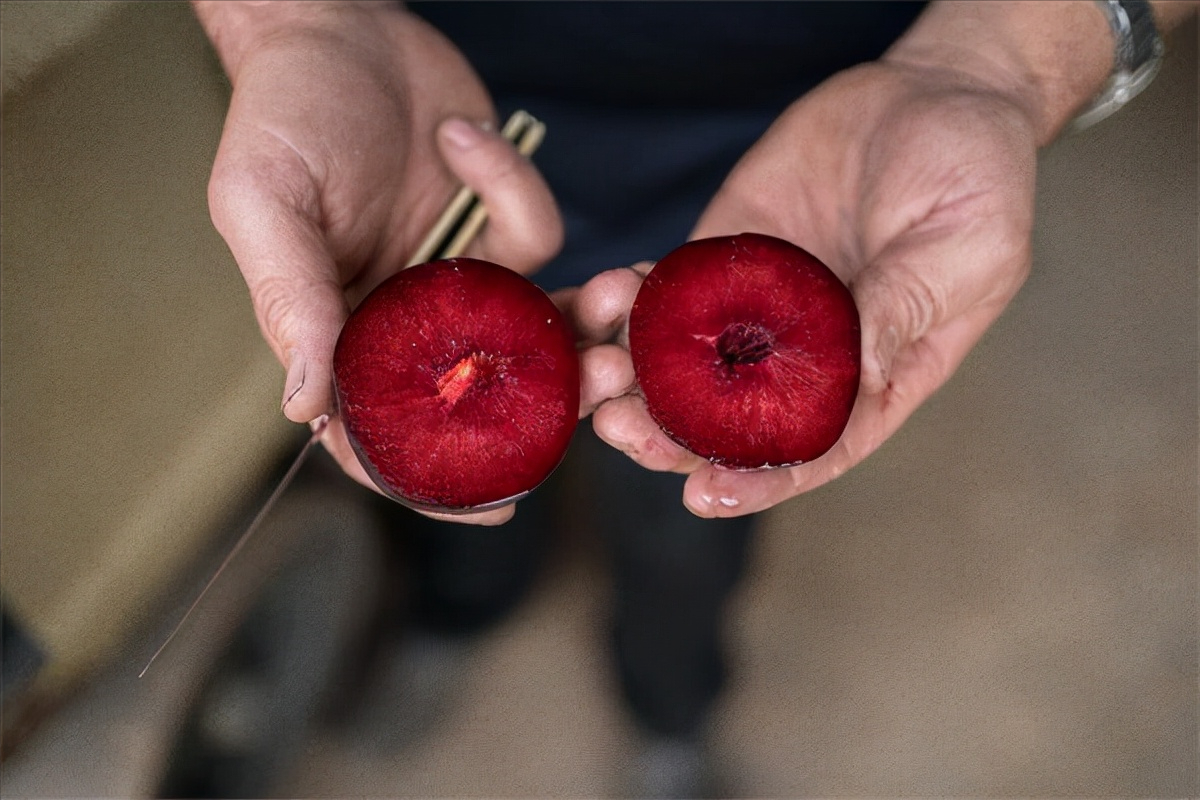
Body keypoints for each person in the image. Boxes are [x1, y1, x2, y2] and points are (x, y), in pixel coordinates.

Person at [190, 1, 1195, 794]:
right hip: (431, 143)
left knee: (686, 526)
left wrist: (1005, 56)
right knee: (462, 511)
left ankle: (668, 712)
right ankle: (459, 615)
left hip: (813, 159)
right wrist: (291, 18)